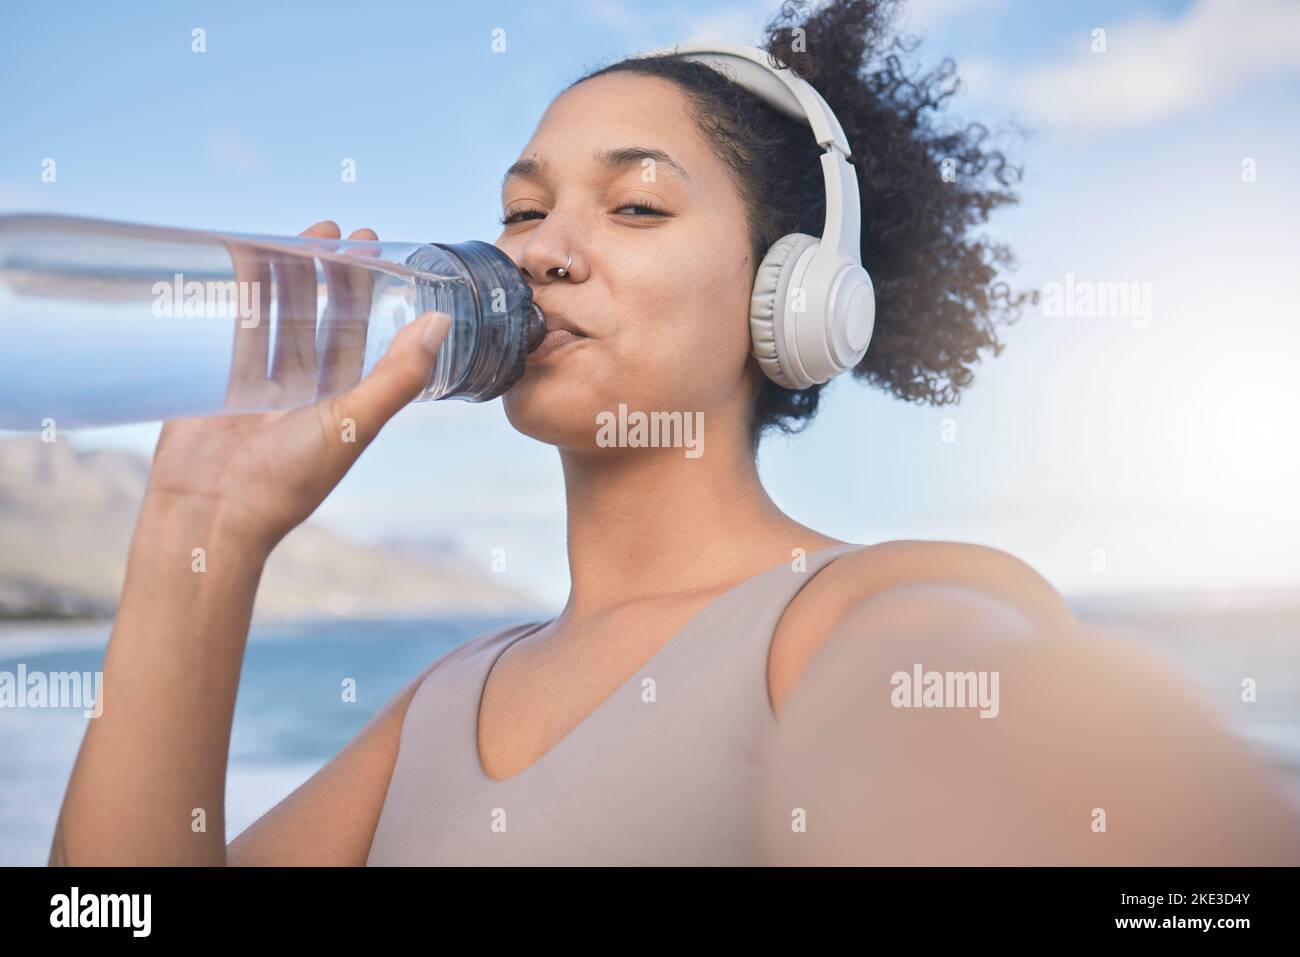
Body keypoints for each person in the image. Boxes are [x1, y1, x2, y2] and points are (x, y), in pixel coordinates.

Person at [48, 0, 1300, 866]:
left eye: (637, 205)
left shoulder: (865, 612)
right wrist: (197, 532)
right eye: (523, 210)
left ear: (790, 300)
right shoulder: (441, 702)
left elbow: (1072, 800)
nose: (537, 249)